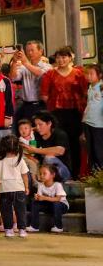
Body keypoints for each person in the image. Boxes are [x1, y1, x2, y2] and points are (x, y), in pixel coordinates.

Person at [39, 46, 87, 176]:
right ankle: (60, 173)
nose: (61, 60)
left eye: (64, 57)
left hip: (75, 112)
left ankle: (76, 174)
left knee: (75, 143)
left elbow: (85, 93)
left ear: (70, 57)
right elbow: (44, 95)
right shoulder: (50, 74)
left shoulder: (79, 73)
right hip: (56, 114)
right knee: (60, 143)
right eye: (58, 57)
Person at [10, 40, 51, 129]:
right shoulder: (23, 66)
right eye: (27, 51)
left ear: (41, 51)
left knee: (39, 131)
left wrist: (25, 63)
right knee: (21, 130)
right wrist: (14, 62)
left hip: (40, 105)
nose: (29, 53)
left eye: (32, 50)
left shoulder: (47, 66)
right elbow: (13, 77)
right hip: (25, 105)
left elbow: (40, 73)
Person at [0, 136, 29, 238]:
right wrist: (26, 187)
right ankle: (22, 230)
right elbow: (24, 175)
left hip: (4, 189)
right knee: (20, 210)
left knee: (6, 211)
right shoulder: (20, 159)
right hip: (19, 188)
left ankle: (8, 230)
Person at [28, 112, 72, 183]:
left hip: (62, 172)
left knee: (48, 158)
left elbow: (60, 151)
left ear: (49, 123)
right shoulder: (36, 135)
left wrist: (36, 150)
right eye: (36, 125)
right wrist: (28, 133)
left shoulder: (60, 134)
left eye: (40, 124)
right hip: (44, 172)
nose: (38, 128)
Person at [28, 164, 68, 233]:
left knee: (56, 204)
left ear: (52, 175)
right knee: (35, 202)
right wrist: (37, 197)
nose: (42, 175)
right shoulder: (41, 185)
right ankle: (34, 226)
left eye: (44, 173)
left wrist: (44, 198)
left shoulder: (57, 185)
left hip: (61, 206)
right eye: (40, 174)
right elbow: (40, 198)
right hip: (50, 206)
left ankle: (58, 226)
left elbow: (57, 199)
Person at [84, 64, 103, 172]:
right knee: (91, 152)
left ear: (99, 75)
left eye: (91, 74)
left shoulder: (101, 87)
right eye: (87, 74)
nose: (88, 76)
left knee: (99, 151)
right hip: (88, 122)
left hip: (99, 125)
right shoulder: (90, 87)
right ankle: (94, 175)